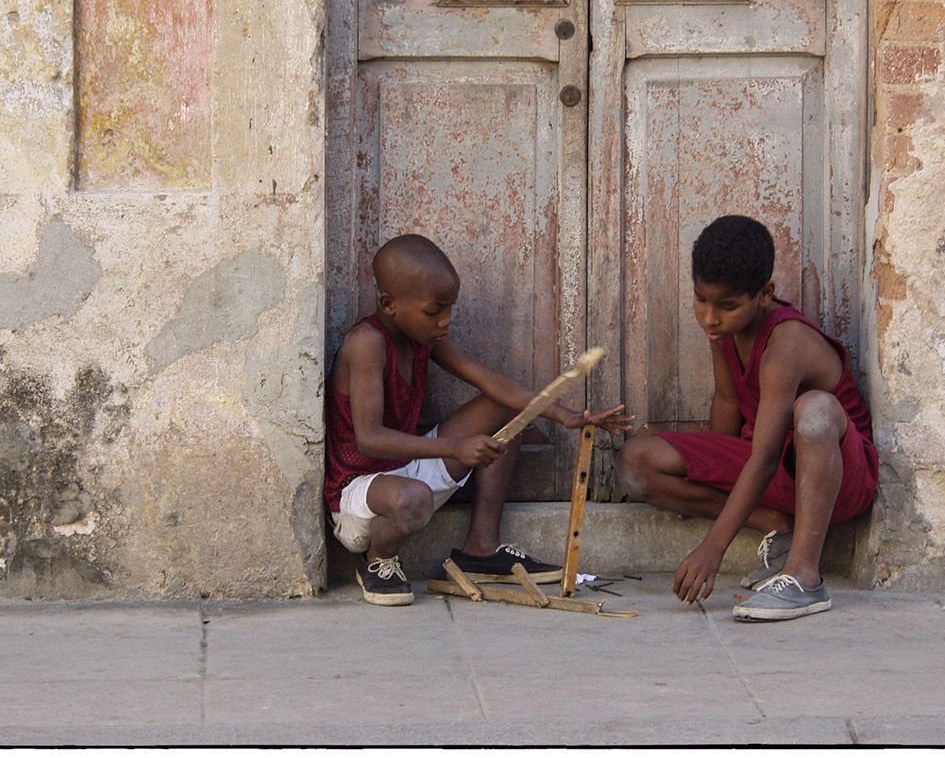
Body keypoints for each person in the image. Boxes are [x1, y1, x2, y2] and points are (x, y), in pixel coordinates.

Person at [326, 233, 632, 606]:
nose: (445, 321)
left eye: (449, 309)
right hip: (358, 492)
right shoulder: (366, 344)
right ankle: (379, 558)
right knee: (413, 497)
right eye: (433, 311)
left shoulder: (423, 338)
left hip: (406, 468)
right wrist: (455, 448)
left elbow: (492, 383)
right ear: (389, 304)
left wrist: (563, 415)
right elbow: (370, 439)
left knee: (507, 411)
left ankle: (481, 548)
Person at [615, 215, 878, 621]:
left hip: (836, 478)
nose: (710, 317)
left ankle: (804, 577)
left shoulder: (786, 344)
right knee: (636, 463)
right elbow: (726, 401)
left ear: (765, 294)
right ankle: (777, 524)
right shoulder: (723, 330)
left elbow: (766, 456)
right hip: (772, 469)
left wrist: (713, 546)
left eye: (727, 305)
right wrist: (704, 477)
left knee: (815, 410)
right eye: (701, 299)